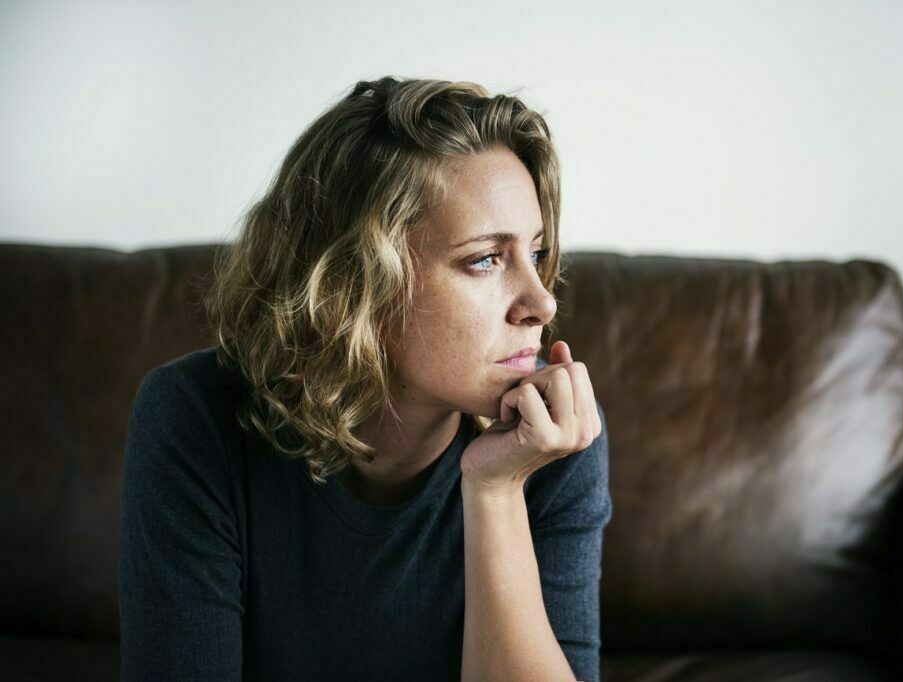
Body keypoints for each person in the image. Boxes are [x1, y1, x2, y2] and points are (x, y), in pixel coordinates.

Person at [118, 76, 612, 682]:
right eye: (485, 259)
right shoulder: (194, 417)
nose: (542, 302)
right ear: (354, 283)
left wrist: (496, 491)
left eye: (535, 254)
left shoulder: (552, 436)